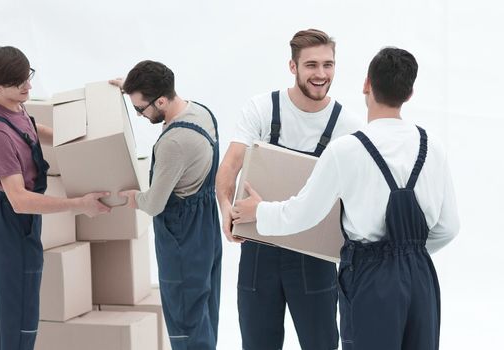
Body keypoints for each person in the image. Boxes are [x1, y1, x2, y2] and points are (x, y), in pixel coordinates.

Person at [233, 47, 460, 350]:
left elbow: (303, 215)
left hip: (370, 276)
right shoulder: (433, 146)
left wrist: (259, 211)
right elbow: (449, 227)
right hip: (421, 275)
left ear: (367, 84)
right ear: (410, 93)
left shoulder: (346, 150)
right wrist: (409, 254)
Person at [216, 29, 363, 350]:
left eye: (328, 64)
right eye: (311, 65)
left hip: (314, 257)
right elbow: (229, 167)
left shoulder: (348, 125)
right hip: (259, 250)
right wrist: (225, 207)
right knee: (257, 344)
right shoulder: (261, 108)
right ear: (293, 66)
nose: (321, 74)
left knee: (321, 344)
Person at [0, 46, 111, 350]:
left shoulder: (14, 104)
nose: (28, 86)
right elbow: (20, 200)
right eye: (19, 83)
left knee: (9, 310)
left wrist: (77, 137)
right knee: (19, 314)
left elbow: (32, 131)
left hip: (20, 220)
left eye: (28, 78)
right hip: (12, 221)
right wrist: (78, 205)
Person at [111, 60, 222, 350]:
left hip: (182, 234)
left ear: (161, 100)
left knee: (185, 318)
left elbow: (154, 204)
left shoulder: (173, 143)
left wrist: (132, 197)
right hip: (206, 225)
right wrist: (130, 87)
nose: (139, 115)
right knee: (203, 312)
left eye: (140, 108)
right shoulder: (201, 111)